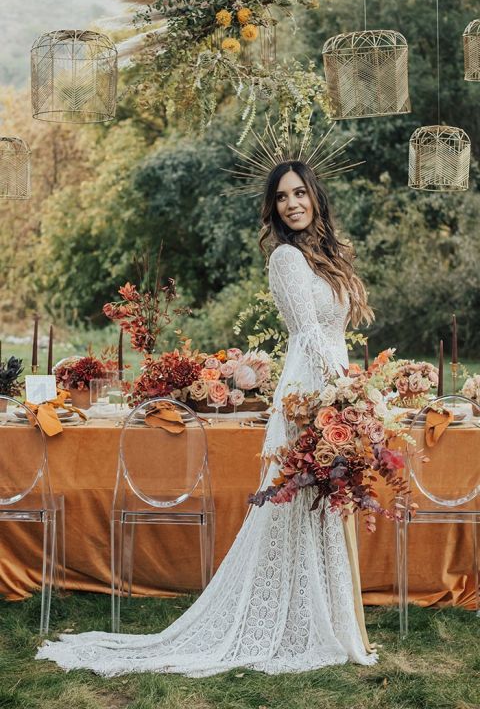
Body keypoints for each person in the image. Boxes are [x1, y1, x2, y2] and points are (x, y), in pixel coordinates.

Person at [36, 159, 377, 677]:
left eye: (300, 194)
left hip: (332, 382)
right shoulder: (286, 258)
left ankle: (323, 619)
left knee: (323, 507)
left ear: (316, 198)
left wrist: (352, 386)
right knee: (297, 506)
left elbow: (334, 333)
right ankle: (294, 622)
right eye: (283, 197)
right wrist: (340, 394)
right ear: (275, 207)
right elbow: (307, 334)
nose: (292, 204)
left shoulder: (325, 254)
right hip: (309, 391)